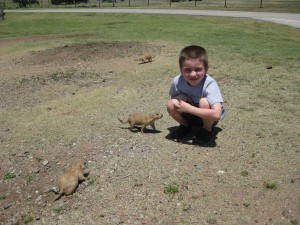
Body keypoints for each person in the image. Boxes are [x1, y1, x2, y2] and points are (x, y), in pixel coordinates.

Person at [166, 45, 225, 144]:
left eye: (198, 69)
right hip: (190, 114)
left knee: (204, 102)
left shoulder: (210, 83)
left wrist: (189, 109)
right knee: (171, 104)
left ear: (206, 69)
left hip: (208, 118)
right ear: (181, 70)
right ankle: (185, 126)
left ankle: (207, 130)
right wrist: (179, 97)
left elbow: (217, 114)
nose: (193, 74)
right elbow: (173, 98)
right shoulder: (177, 81)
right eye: (187, 70)